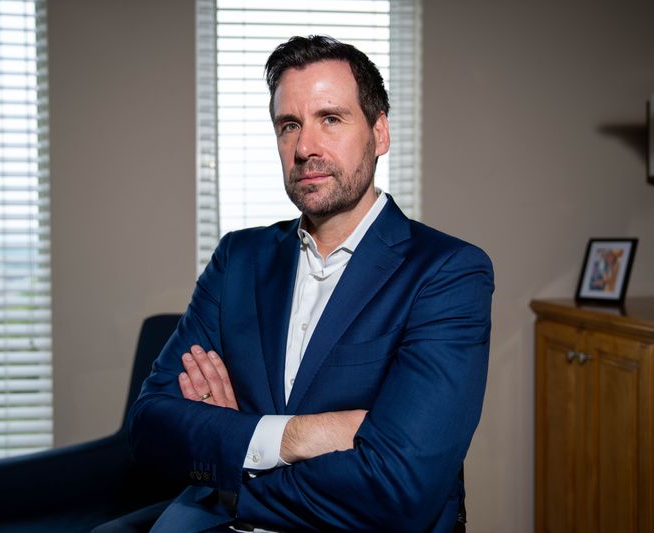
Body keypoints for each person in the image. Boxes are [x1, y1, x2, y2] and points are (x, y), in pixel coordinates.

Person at [128, 35, 494, 532]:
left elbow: (399, 489)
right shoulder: (239, 257)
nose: (305, 147)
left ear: (379, 133)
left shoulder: (448, 272)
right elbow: (151, 428)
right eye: (289, 125)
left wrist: (235, 458)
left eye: (331, 119)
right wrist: (298, 436)